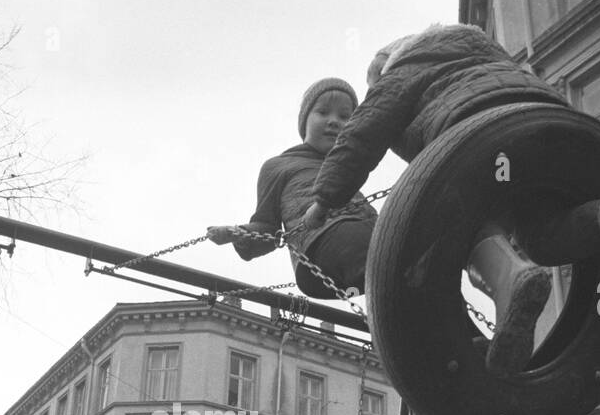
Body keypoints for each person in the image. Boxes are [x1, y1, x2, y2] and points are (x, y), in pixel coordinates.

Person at [303, 25, 600, 374]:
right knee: (545, 238)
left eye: (371, 82)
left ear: (387, 65)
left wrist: (324, 198)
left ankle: (510, 280)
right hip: (562, 130)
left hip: (479, 137)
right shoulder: (490, 55)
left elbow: (362, 133)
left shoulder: (402, 70)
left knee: (454, 215)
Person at [207, 77, 550, 318]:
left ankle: (463, 341)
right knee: (397, 265)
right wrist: (238, 235)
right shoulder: (278, 166)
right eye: (323, 112)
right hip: (322, 242)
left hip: (364, 232)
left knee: (424, 268)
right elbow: (265, 226)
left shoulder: (347, 164)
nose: (334, 122)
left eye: (345, 117)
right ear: (304, 120)